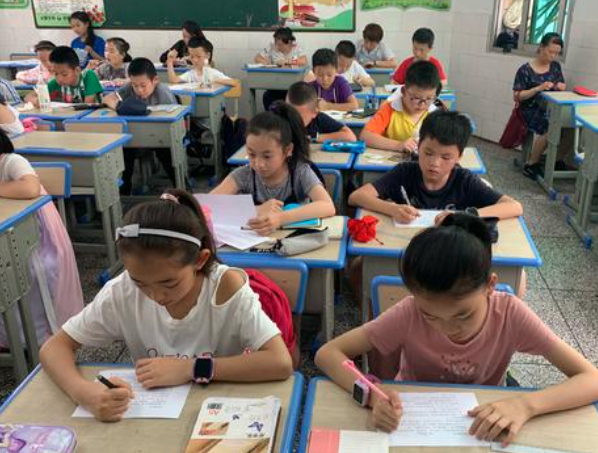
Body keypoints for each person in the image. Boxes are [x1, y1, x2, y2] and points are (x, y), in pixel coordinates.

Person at [316, 213, 598, 445]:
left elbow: (591, 379)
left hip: (483, 419)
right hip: (416, 419)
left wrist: (525, 405)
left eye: (463, 314)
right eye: (430, 315)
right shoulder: (409, 311)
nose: (447, 328)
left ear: (490, 285)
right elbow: (328, 354)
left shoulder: (509, 313)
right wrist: (371, 396)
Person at [39, 189, 293, 422]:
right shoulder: (122, 290)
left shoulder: (225, 287)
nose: (156, 296)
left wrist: (191, 368)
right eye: (140, 283)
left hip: (217, 411)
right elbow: (54, 347)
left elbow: (280, 362)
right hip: (152, 418)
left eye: (169, 283)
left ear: (200, 260)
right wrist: (84, 393)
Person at [350, 110, 523, 224]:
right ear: (418, 147)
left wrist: (465, 216)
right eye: (428, 153)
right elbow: (356, 197)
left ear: (459, 157)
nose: (434, 163)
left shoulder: (464, 180)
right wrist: (393, 209)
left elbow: (514, 206)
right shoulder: (405, 172)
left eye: (446, 157)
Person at [0, 129, 84, 349]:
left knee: (30, 273)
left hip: (36, 239)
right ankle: (10, 337)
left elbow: (30, 187)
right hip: (8, 231)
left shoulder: (11, 161)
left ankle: (38, 337)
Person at [211, 102, 335, 236]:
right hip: (255, 244)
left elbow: (327, 206)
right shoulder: (244, 175)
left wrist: (280, 218)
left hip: (293, 242)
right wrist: (257, 210)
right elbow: (207, 206)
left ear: (287, 150)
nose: (258, 163)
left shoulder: (300, 172)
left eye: (267, 156)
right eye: (251, 154)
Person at [103, 58, 178, 195]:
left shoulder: (163, 93)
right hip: (136, 138)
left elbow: (174, 118)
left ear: (155, 80)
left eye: (143, 85)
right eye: (135, 85)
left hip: (160, 137)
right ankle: (125, 193)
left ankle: (181, 188)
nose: (139, 90)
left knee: (165, 151)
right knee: (124, 150)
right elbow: (108, 98)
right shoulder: (129, 88)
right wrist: (119, 106)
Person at [513, 33, 567, 179]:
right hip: (531, 110)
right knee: (551, 126)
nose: (553, 56)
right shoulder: (525, 70)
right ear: (541, 47)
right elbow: (517, 96)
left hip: (551, 108)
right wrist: (538, 88)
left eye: (557, 53)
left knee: (571, 125)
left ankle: (556, 160)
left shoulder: (555, 67)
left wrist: (561, 87)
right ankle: (531, 164)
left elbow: (560, 85)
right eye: (550, 51)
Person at [361, 61, 440, 153]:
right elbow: (365, 136)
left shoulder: (436, 114)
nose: (422, 104)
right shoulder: (390, 109)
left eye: (429, 98)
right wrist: (398, 145)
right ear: (403, 91)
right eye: (416, 98)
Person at [25, 46, 103, 106]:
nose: (59, 79)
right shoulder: (57, 82)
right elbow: (28, 96)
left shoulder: (88, 76)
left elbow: (87, 106)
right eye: (56, 74)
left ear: (77, 70)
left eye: (64, 74)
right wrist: (36, 101)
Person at [255, 27, 308, 111]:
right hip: (276, 85)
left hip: (292, 86)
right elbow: (257, 58)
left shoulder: (297, 47)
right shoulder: (271, 46)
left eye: (280, 45)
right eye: (276, 43)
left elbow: (303, 61)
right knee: (267, 96)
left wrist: (287, 61)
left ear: (289, 42)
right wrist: (265, 62)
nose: (277, 47)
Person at [286, 81, 356, 142]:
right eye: (290, 114)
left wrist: (314, 137)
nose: (292, 120)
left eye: (299, 118)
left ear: (314, 113)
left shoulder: (319, 119)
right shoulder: (281, 117)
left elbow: (350, 137)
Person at [166, 37, 236, 88]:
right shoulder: (191, 74)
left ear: (207, 55)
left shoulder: (212, 73)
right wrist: (169, 61)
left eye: (199, 56)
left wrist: (214, 81)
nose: (195, 60)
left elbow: (233, 82)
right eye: (192, 57)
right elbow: (174, 80)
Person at [308, 48, 359, 112]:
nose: (325, 79)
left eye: (329, 75)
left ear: (336, 71)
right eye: (320, 75)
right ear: (313, 72)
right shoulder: (310, 87)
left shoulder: (341, 83)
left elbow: (354, 106)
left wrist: (328, 106)